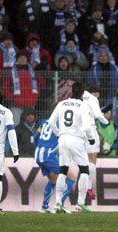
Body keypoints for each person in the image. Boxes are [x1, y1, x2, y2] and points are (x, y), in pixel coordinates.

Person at [48, 82, 95, 213]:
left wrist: (60, 134)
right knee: (84, 170)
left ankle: (58, 203)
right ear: (82, 93)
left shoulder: (61, 104)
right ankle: (80, 203)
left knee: (63, 171)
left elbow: (51, 122)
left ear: (71, 91)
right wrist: (91, 138)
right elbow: (86, 127)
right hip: (77, 139)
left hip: (63, 139)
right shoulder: (83, 106)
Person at [34, 118, 75, 213]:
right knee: (71, 176)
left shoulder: (44, 121)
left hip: (39, 154)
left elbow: (36, 136)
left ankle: (44, 207)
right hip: (49, 155)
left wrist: (37, 149)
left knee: (53, 179)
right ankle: (60, 205)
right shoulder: (61, 123)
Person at [82, 85, 109, 200]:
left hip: (78, 130)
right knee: (92, 159)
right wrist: (106, 121)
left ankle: (81, 187)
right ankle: (88, 187)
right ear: (94, 93)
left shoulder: (78, 97)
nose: (98, 95)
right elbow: (98, 115)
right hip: (90, 129)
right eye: (97, 93)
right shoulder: (93, 99)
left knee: (82, 160)